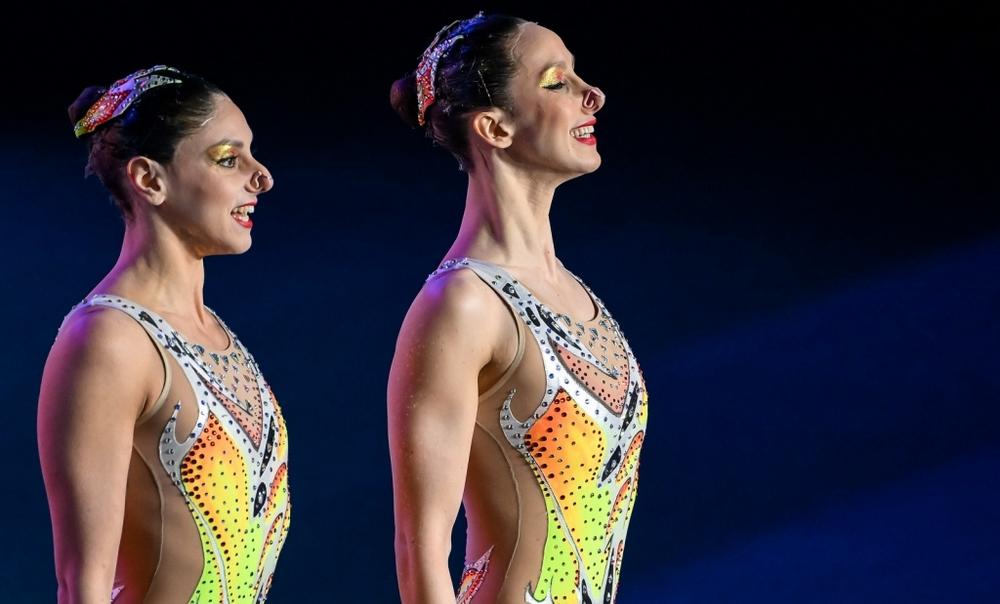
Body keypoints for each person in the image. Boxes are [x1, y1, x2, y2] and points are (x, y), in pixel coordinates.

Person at [388, 14, 648, 604]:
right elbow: (420, 547)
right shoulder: (461, 305)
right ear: (495, 128)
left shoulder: (578, 295)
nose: (594, 94)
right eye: (557, 82)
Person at [37, 65, 290, 603]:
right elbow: (82, 585)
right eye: (228, 158)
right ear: (150, 179)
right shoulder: (107, 340)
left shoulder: (219, 335)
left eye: (251, 153)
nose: (261, 175)